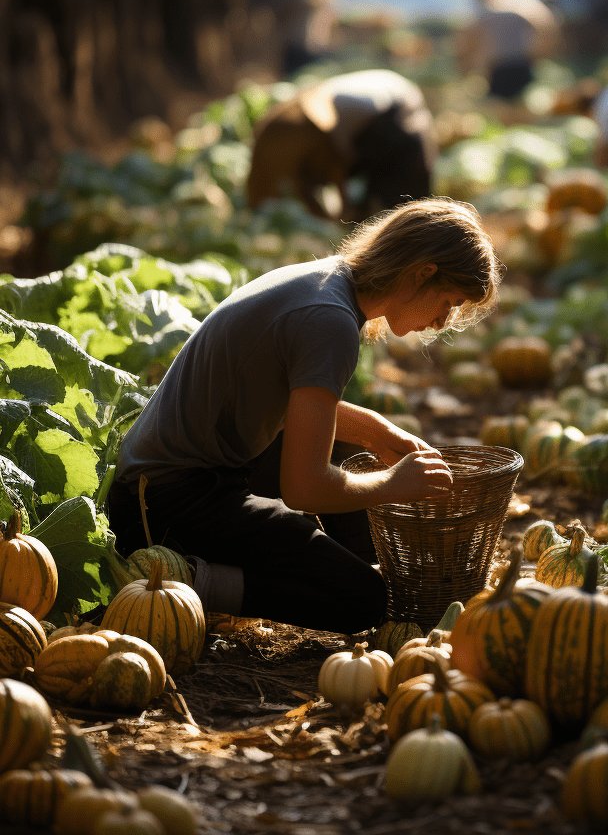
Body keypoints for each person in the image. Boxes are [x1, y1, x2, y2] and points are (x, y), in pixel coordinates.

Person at [107, 198, 503, 635]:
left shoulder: (328, 280)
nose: (441, 320)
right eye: (448, 302)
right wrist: (394, 484)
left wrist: (376, 431)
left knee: (357, 466)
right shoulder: (330, 322)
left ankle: (308, 559)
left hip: (166, 480)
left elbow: (291, 401)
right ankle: (189, 580)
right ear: (422, 273)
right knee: (363, 600)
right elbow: (303, 488)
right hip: (164, 505)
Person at [246, 68, 437, 222]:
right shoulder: (301, 138)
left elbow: (335, 169)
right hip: (377, 110)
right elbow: (307, 184)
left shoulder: (318, 128)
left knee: (403, 204)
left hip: (397, 110)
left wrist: (343, 215)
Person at [459, 0, 560, 101]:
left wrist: (468, 71)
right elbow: (548, 28)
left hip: (499, 71)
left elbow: (467, 46)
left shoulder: (482, 10)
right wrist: (538, 56)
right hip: (525, 66)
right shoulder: (524, 2)